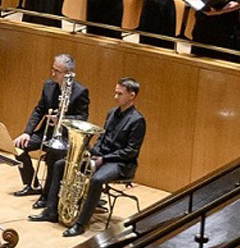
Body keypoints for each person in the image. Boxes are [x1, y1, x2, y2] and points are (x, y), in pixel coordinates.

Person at [49, 78, 147, 236]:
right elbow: (102, 137)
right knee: (62, 164)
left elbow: (131, 151)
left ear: (131, 95)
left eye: (120, 94)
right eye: (115, 92)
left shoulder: (137, 120)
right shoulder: (112, 113)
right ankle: (51, 210)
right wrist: (92, 152)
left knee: (97, 179)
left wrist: (104, 159)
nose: (116, 97)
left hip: (120, 163)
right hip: (100, 156)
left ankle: (80, 224)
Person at [12, 55, 89, 198]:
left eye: (57, 71)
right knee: (19, 146)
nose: (53, 74)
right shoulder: (48, 86)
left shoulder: (80, 91)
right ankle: (32, 184)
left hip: (66, 137)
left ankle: (48, 196)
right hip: (47, 133)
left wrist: (61, 119)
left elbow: (82, 118)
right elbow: (39, 110)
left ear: (68, 74)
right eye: (52, 69)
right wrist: (27, 132)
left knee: (52, 157)